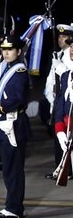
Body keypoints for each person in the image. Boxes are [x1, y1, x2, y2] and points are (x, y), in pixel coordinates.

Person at [0, 34, 30, 218]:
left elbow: (18, 98)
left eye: (10, 50)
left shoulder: (19, 71)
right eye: (3, 50)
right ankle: (10, 204)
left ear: (18, 51)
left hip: (13, 124)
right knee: (7, 167)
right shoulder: (5, 68)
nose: (6, 53)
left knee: (14, 169)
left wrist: (1, 106)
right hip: (3, 124)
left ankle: (15, 208)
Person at [44, 24, 73, 179]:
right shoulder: (58, 55)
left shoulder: (69, 55)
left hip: (67, 103)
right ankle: (60, 168)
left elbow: (68, 77)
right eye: (59, 37)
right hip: (58, 102)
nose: (61, 40)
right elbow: (50, 82)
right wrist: (51, 99)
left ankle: (67, 170)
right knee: (58, 137)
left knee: (66, 137)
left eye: (64, 37)